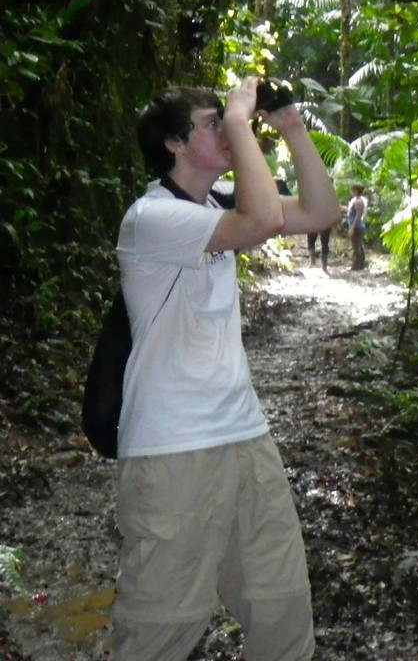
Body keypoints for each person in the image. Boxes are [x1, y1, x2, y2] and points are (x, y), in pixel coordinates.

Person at [113, 77, 339, 661]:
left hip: (245, 436)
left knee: (282, 609)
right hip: (173, 450)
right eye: (211, 123)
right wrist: (240, 119)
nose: (226, 126)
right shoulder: (152, 218)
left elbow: (320, 211)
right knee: (161, 626)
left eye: (224, 119)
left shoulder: (214, 206)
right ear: (175, 145)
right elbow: (260, 221)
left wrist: (289, 126)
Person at [346, 183, 368, 271]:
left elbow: (358, 216)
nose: (350, 192)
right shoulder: (356, 200)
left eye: (351, 190)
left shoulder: (358, 201)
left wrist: (352, 227)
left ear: (355, 191)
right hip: (357, 226)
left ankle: (356, 266)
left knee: (356, 247)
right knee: (358, 246)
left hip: (357, 227)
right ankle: (360, 265)